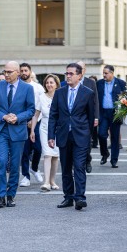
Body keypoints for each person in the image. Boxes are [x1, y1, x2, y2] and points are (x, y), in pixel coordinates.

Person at [48, 63, 95, 210]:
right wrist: (51, 135)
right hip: (63, 136)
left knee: (79, 167)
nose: (68, 76)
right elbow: (53, 115)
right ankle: (68, 197)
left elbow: (91, 116)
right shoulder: (59, 92)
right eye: (66, 73)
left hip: (81, 136)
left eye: (71, 74)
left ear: (79, 75)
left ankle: (80, 198)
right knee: (66, 168)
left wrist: (89, 137)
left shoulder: (87, 93)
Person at [0, 61, 35, 208]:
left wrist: (18, 117)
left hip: (18, 130)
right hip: (1, 129)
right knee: (1, 162)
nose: (6, 74)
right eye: (5, 71)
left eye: (9, 72)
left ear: (17, 72)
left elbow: (31, 110)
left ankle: (11, 195)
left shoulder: (27, 88)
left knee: (15, 165)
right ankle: (1, 196)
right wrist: (4, 116)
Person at [30, 74, 61, 191]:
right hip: (44, 128)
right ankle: (46, 182)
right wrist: (32, 130)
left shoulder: (60, 96)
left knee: (55, 156)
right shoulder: (41, 97)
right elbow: (36, 115)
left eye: (51, 82)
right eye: (47, 83)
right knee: (47, 154)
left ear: (56, 84)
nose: (49, 85)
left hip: (58, 129)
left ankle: (52, 180)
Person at [19, 63, 44, 187]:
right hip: (21, 121)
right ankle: (25, 176)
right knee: (25, 150)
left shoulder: (38, 87)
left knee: (38, 148)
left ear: (30, 71)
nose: (24, 73)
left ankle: (34, 168)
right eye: (22, 70)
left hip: (36, 120)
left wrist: (34, 120)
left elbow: (40, 106)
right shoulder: (17, 87)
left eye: (26, 70)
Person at [96, 65, 126, 168]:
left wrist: (123, 112)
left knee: (115, 137)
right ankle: (105, 154)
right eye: (103, 73)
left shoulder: (121, 83)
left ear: (112, 73)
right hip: (103, 113)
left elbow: (126, 99)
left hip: (115, 113)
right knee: (101, 134)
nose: (104, 75)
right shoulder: (99, 83)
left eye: (106, 73)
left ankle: (114, 160)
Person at [76, 61, 99, 173]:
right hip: (75, 118)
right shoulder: (70, 81)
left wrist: (96, 117)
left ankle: (87, 160)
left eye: (81, 68)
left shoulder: (91, 82)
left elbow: (95, 101)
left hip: (87, 117)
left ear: (84, 70)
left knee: (87, 141)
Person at [89, 75, 99, 149]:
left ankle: (95, 142)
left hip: (94, 110)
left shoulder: (96, 89)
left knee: (95, 129)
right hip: (88, 110)